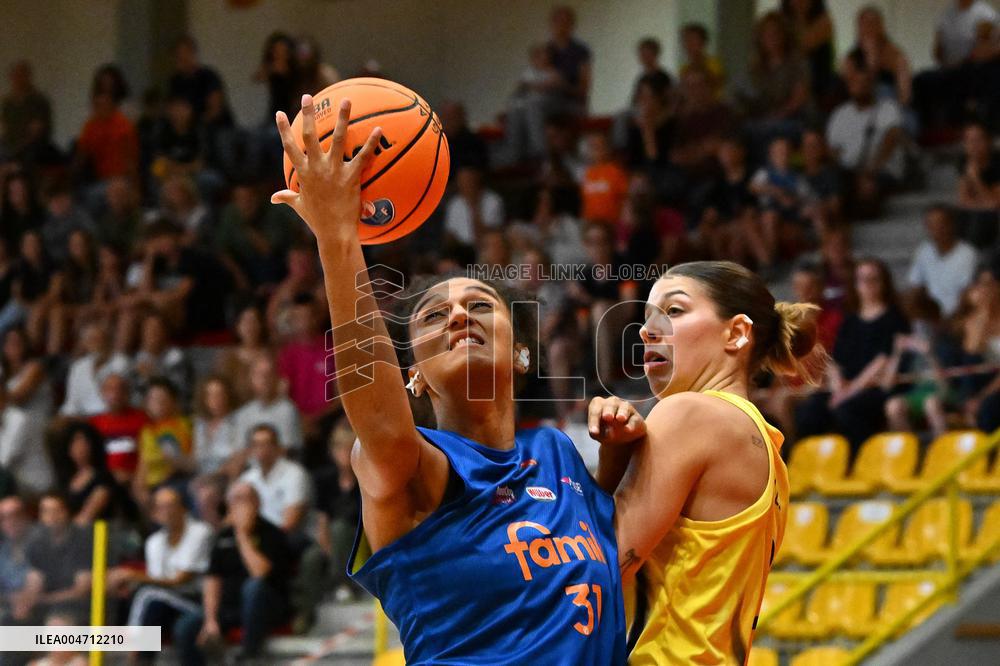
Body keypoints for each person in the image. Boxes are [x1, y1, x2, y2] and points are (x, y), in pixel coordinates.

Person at [270, 94, 632, 663]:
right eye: (434, 316)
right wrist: (337, 236)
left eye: (481, 305)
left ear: (522, 355)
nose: (460, 314)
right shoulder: (413, 468)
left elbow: (622, 546)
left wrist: (618, 456)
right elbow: (382, 424)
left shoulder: (558, 453)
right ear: (412, 376)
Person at [594, 260, 823, 664]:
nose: (646, 331)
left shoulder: (689, 413)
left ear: (736, 333)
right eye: (646, 317)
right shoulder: (766, 444)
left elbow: (593, 570)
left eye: (674, 310)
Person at [795, 258, 911, 452]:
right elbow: (834, 359)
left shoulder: (894, 318)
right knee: (810, 411)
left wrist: (849, 392)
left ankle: (863, 459)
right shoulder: (850, 320)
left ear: (884, 283)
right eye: (862, 280)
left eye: (873, 279)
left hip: (876, 387)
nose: (868, 285)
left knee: (847, 411)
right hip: (846, 386)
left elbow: (882, 361)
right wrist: (837, 382)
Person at [173, 482, 292, 665]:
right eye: (234, 500)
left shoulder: (271, 533)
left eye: (244, 499)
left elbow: (260, 572)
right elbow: (212, 579)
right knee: (183, 625)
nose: (239, 506)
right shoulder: (222, 536)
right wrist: (211, 619)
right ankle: (140, 653)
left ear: (257, 503)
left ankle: (250, 655)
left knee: (254, 587)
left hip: (265, 607)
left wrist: (242, 535)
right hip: (221, 605)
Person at [109, 486, 212, 634]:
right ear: (154, 514)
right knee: (135, 596)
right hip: (166, 600)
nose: (166, 512)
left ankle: (133, 642)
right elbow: (157, 579)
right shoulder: (154, 542)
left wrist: (132, 575)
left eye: (170, 505)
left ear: (183, 508)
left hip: (197, 600)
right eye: (160, 507)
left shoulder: (200, 532)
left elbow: (181, 580)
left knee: (147, 594)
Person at [826, 59, 905, 220]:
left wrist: (871, 170)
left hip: (881, 172)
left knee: (868, 187)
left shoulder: (888, 108)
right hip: (849, 173)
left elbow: (891, 139)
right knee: (832, 186)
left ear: (872, 85)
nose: (859, 87)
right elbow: (833, 151)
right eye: (855, 83)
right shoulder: (840, 114)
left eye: (864, 83)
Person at [17, 493, 93, 622]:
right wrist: (25, 601)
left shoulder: (83, 540)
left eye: (57, 510)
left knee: (57, 625)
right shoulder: (37, 542)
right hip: (46, 604)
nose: (51, 516)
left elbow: (82, 590)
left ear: (67, 512)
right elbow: (35, 580)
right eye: (45, 511)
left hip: (78, 606)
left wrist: (44, 599)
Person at [238, 424, 310, 537]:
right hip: (255, 537)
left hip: (287, 539)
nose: (260, 449)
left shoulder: (295, 474)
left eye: (266, 444)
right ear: (250, 449)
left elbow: (290, 523)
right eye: (255, 444)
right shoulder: (247, 478)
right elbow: (236, 515)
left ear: (278, 447)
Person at [132, 377, 194, 508]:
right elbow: (143, 466)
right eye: (153, 399)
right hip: (155, 486)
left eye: (163, 398)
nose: (158, 403)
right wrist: (139, 489)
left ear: (173, 401)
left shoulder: (186, 425)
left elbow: (192, 460)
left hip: (181, 480)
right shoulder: (147, 432)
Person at [907, 204, 978, 317]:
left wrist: (951, 319)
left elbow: (967, 293)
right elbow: (916, 287)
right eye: (931, 224)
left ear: (952, 224)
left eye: (941, 223)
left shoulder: (967, 254)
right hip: (930, 316)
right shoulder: (923, 251)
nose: (937, 228)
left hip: (958, 316)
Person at [59, 317, 130, 417]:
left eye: (99, 339)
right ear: (85, 343)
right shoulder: (78, 367)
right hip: (82, 418)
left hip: (111, 416)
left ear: (108, 340)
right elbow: (72, 402)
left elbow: (119, 398)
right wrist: (65, 416)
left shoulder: (121, 362)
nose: (96, 344)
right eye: (91, 340)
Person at [233, 355, 303, 453]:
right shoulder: (243, 414)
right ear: (251, 379)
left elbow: (287, 450)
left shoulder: (288, 410)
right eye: (259, 375)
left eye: (268, 375)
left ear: (277, 378)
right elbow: (238, 451)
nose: (264, 380)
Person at [88, 372, 147, 484]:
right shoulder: (93, 423)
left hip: (136, 480)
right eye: (110, 389)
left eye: (120, 389)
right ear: (102, 393)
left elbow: (148, 454)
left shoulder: (142, 419)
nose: (115, 394)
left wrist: (134, 476)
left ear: (128, 393)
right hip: (103, 480)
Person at [55, 422, 116, 525]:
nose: (80, 447)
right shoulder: (65, 478)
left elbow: (86, 517)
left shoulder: (103, 479)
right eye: (75, 442)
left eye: (84, 442)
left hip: (97, 531)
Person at [0, 382, 53, 495]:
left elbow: (5, 460)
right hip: (15, 484)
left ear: (3, 397)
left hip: (35, 486)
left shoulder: (19, 420)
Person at [214, 304, 271, 405]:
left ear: (261, 325)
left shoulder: (272, 354)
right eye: (245, 322)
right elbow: (220, 388)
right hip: (235, 409)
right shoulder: (227, 357)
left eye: (254, 321)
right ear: (237, 326)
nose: (250, 327)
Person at [956, 122, 1000, 249]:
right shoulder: (964, 162)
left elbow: (994, 204)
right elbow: (963, 202)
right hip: (982, 212)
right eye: (969, 141)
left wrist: (975, 178)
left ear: (988, 141)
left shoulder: (997, 163)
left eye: (978, 140)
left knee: (978, 219)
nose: (973, 145)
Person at [781, 0, 835, 102]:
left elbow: (801, 47)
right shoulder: (783, 22)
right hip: (787, 86)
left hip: (818, 88)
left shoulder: (823, 22)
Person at [192, 376, 244, 479]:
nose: (215, 399)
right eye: (210, 395)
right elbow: (196, 458)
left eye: (219, 394)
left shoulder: (237, 421)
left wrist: (211, 477)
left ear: (228, 396)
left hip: (226, 476)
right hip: (201, 476)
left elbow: (239, 457)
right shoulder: (200, 424)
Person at [442, 166, 505, 251]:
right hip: (461, 250)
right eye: (461, 181)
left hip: (486, 248)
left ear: (477, 180)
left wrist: (474, 206)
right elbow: (449, 235)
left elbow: (489, 235)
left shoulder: (493, 200)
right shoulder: (454, 203)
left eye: (468, 180)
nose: (465, 185)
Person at [1, 61, 52, 159]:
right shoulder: (8, 103)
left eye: (21, 76)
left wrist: (15, 150)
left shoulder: (38, 101)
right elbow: (5, 128)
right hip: (9, 146)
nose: (18, 80)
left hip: (33, 148)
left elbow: (36, 133)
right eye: (15, 76)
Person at [0, 496, 39, 622]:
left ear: (26, 516)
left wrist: (25, 598)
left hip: (43, 605)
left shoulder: (43, 541)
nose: (10, 522)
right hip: (9, 607)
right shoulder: (3, 548)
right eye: (3, 518)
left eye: (15, 515)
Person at [168, 36, 224, 121]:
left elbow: (215, 109)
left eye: (184, 54)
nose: (181, 59)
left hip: (214, 126)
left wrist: (194, 121)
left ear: (193, 53)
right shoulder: (175, 80)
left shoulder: (208, 76)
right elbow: (172, 108)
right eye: (177, 56)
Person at [581, 130, 629, 225]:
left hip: (612, 224)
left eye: (599, 146)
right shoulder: (587, 173)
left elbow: (625, 200)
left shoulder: (617, 172)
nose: (596, 150)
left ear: (607, 149)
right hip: (591, 226)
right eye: (593, 146)